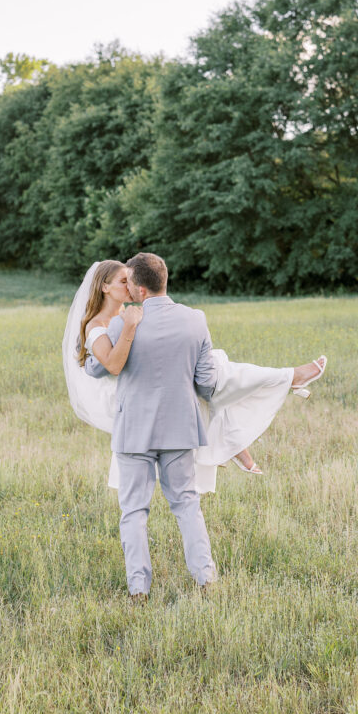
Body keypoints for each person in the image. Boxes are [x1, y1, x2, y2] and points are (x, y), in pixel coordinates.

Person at [62, 258, 327, 493]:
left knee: (208, 371)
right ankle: (285, 383)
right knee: (211, 373)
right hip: (126, 394)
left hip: (147, 381)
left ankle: (245, 430)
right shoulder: (100, 324)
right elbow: (107, 366)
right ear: (105, 287)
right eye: (124, 281)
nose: (130, 285)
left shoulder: (126, 314)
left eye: (130, 280)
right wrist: (131, 328)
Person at [93, 252, 218, 596]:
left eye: (129, 282)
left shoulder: (121, 324)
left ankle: (139, 589)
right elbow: (206, 381)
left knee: (133, 511)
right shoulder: (196, 320)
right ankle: (205, 578)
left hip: (134, 430)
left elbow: (96, 367)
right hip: (180, 427)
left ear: (141, 289)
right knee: (187, 504)